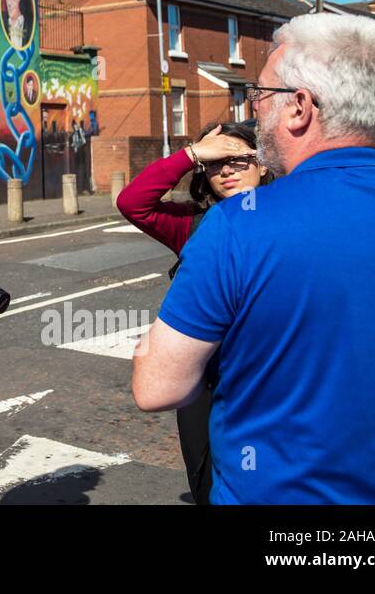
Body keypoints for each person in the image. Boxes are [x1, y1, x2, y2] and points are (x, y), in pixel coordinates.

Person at [132, 13, 375, 503]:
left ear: (299, 107)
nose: (255, 110)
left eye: (261, 96)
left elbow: (157, 388)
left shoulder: (236, 227)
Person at [117, 119, 269, 503]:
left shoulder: (291, 216)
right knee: (207, 485)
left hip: (270, 377)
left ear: (264, 163)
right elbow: (131, 202)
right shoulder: (192, 223)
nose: (227, 170)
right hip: (203, 379)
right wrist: (191, 154)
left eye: (239, 159)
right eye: (215, 163)